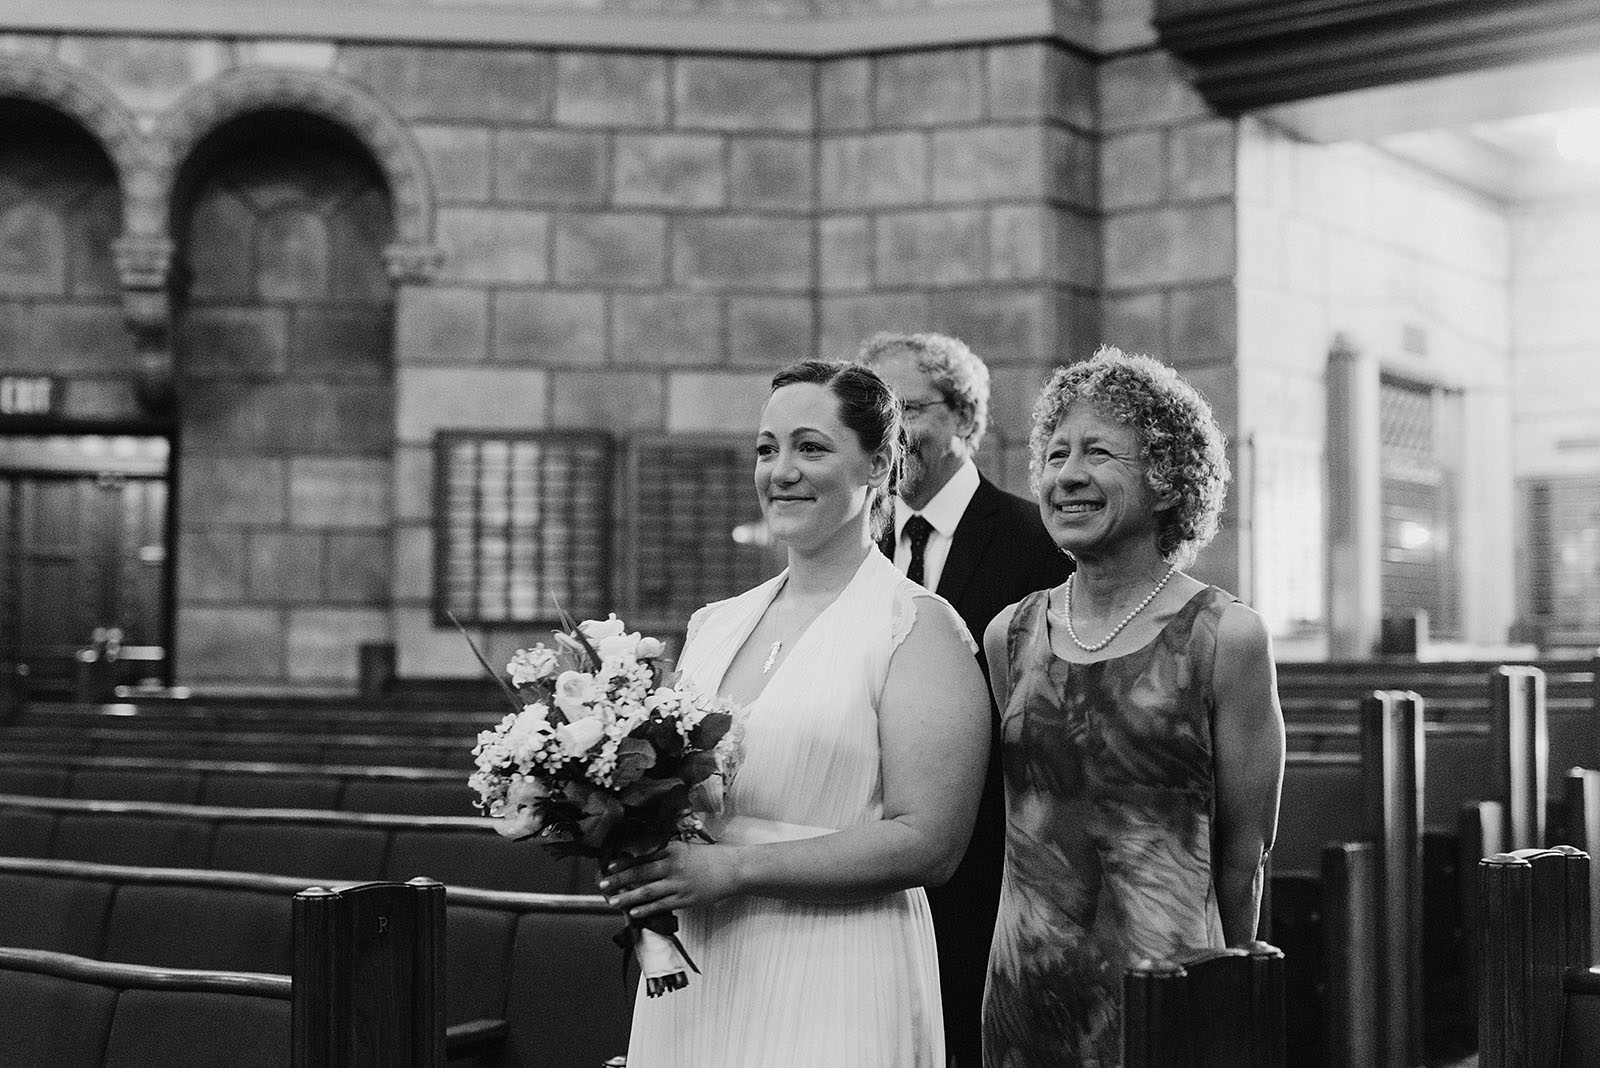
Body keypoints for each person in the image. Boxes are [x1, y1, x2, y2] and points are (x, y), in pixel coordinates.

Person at [600, 358, 992, 1068]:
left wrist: (736, 871)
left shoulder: (916, 626)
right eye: (766, 448)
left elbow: (930, 842)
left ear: (878, 462)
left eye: (810, 447)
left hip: (837, 966)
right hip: (704, 965)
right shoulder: (716, 624)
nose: (781, 470)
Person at [981, 345, 1286, 1068]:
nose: (1068, 476)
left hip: (1169, 993)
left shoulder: (1225, 637)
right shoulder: (1010, 634)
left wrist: (1232, 999)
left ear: (1167, 479)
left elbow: (1245, 857)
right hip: (1026, 995)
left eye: (1098, 453)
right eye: (1055, 456)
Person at [860, 331, 1073, 1068]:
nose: (890, 430)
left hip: (991, 868)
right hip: (870, 867)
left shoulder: (1038, 542)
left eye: (907, 407)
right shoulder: (853, 545)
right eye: (875, 411)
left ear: (964, 418)